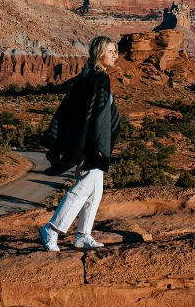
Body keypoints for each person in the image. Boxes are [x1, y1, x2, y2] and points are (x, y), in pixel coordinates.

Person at [38, 35, 121, 251]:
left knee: (95, 192)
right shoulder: (98, 79)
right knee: (82, 189)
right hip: (92, 146)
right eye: (111, 51)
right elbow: (98, 118)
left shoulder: (91, 76)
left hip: (92, 143)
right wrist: (99, 146)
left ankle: (83, 235)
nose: (115, 55)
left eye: (116, 51)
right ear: (100, 53)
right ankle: (52, 229)